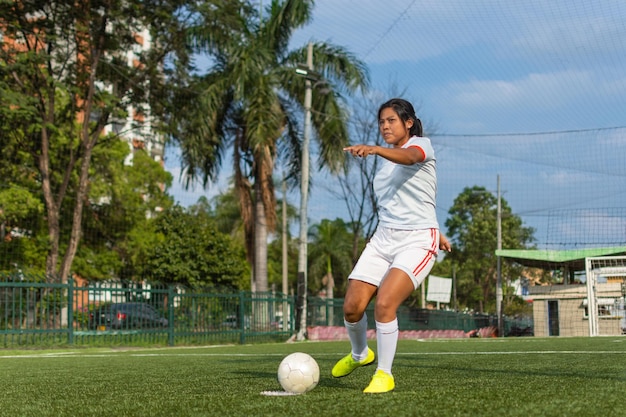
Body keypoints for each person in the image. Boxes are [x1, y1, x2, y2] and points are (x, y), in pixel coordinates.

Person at [332, 98, 451, 393]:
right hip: (384, 237)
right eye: (381, 122)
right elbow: (409, 199)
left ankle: (384, 374)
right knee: (351, 307)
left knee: (385, 303)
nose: (385, 126)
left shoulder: (422, 145)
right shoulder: (385, 164)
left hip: (417, 241)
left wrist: (373, 149)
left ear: (408, 123)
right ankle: (361, 355)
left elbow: (411, 158)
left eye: (391, 121)